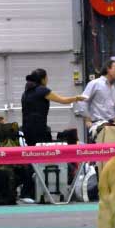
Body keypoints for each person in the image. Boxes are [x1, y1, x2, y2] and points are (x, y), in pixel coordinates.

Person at [20, 68, 85, 202]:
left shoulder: (26, 92)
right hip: (39, 129)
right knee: (42, 157)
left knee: (31, 158)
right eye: (47, 77)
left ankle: (29, 191)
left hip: (27, 129)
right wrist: (77, 97)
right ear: (43, 79)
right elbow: (63, 100)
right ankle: (38, 190)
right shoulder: (42, 90)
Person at [76, 60, 115, 128]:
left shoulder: (113, 87)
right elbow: (82, 101)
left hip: (112, 125)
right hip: (98, 124)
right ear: (108, 69)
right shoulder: (95, 84)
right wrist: (87, 118)